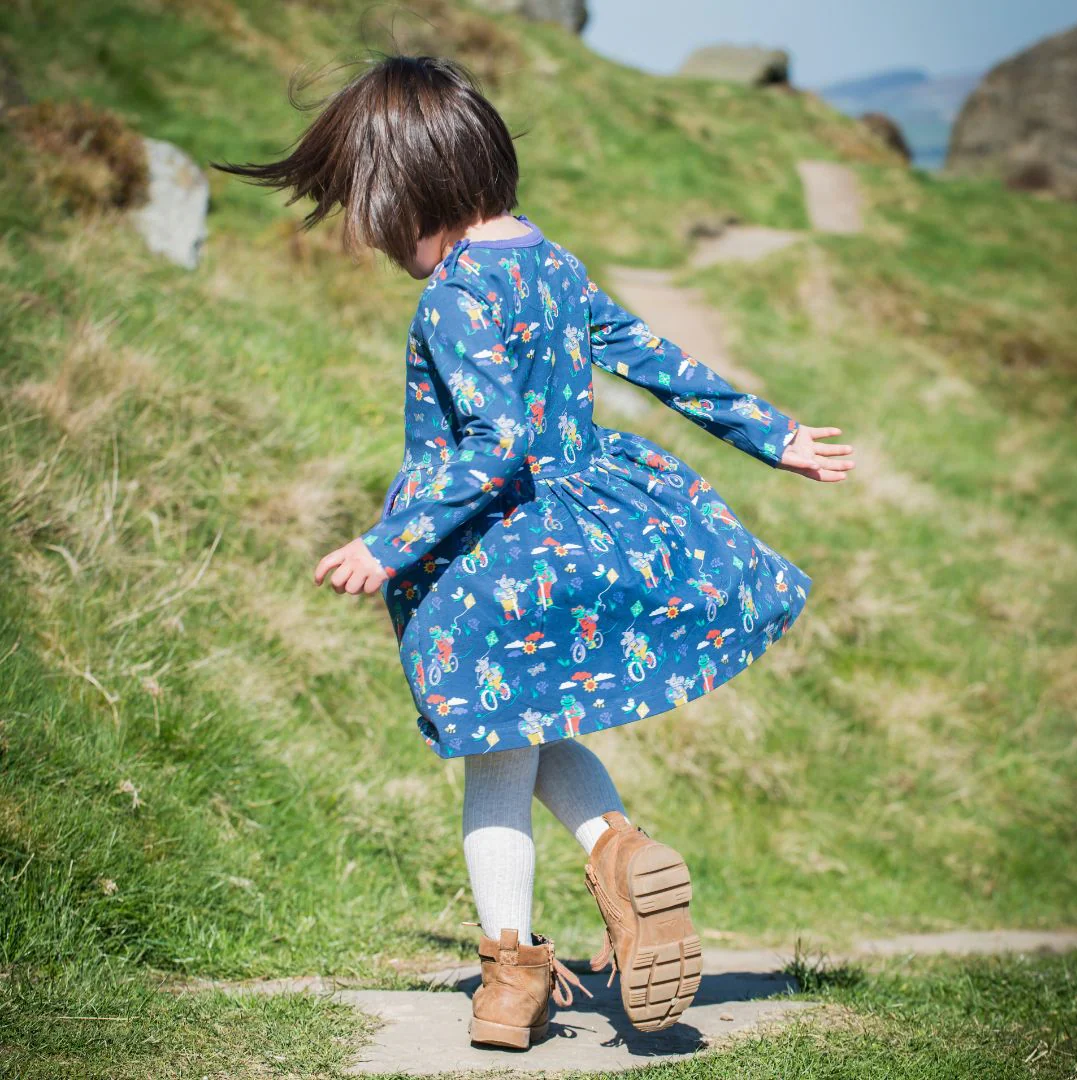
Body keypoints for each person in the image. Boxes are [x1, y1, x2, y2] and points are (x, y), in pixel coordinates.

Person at [213, 53, 855, 1050]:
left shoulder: (455, 296)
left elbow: (492, 447)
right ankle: (619, 850)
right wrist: (776, 435)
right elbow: (653, 357)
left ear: (409, 190)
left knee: (492, 760)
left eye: (376, 216)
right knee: (532, 728)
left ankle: (510, 976)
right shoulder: (551, 262)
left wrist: (388, 545)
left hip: (491, 559)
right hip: (583, 534)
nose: (380, 242)